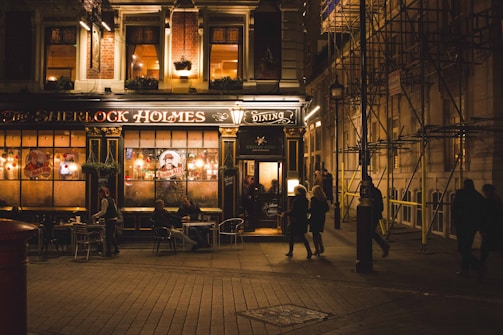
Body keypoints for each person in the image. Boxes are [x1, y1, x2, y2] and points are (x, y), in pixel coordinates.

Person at [451, 179, 485, 275]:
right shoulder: (477, 196)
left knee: (462, 248)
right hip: (472, 225)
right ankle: (469, 267)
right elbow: (482, 212)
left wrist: (455, 221)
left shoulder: (461, 194)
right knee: (466, 247)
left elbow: (454, 208)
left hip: (462, 225)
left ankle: (473, 265)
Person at [280, 184, 313, 259]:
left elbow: (294, 211)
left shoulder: (296, 200)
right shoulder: (305, 200)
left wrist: (285, 213)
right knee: (302, 236)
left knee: (292, 236)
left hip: (296, 221)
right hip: (302, 220)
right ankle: (309, 251)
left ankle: (291, 252)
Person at [479, 184, 503, 275]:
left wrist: (482, 229)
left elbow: (483, 217)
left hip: (491, 229)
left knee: (485, 248)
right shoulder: (497, 201)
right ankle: (481, 264)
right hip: (496, 229)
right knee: (495, 247)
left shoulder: (488, 202)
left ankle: (481, 265)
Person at [92, 186, 120, 256]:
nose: (98, 195)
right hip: (114, 218)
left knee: (108, 236)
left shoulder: (104, 200)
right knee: (111, 235)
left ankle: (109, 252)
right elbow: (115, 209)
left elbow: (103, 211)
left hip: (109, 219)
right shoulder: (111, 199)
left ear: (102, 193)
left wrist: (95, 215)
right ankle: (116, 249)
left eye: (99, 193)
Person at [368, 176, 390, 258]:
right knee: (369, 233)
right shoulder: (374, 191)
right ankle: (383, 246)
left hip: (373, 214)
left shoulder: (373, 192)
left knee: (369, 232)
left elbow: (379, 206)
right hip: (372, 214)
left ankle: (383, 245)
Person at [309, 185, 330, 256]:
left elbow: (312, 209)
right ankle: (321, 247)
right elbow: (327, 209)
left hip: (314, 218)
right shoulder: (323, 199)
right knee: (317, 232)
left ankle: (317, 249)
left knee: (315, 234)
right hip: (321, 217)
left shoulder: (313, 199)